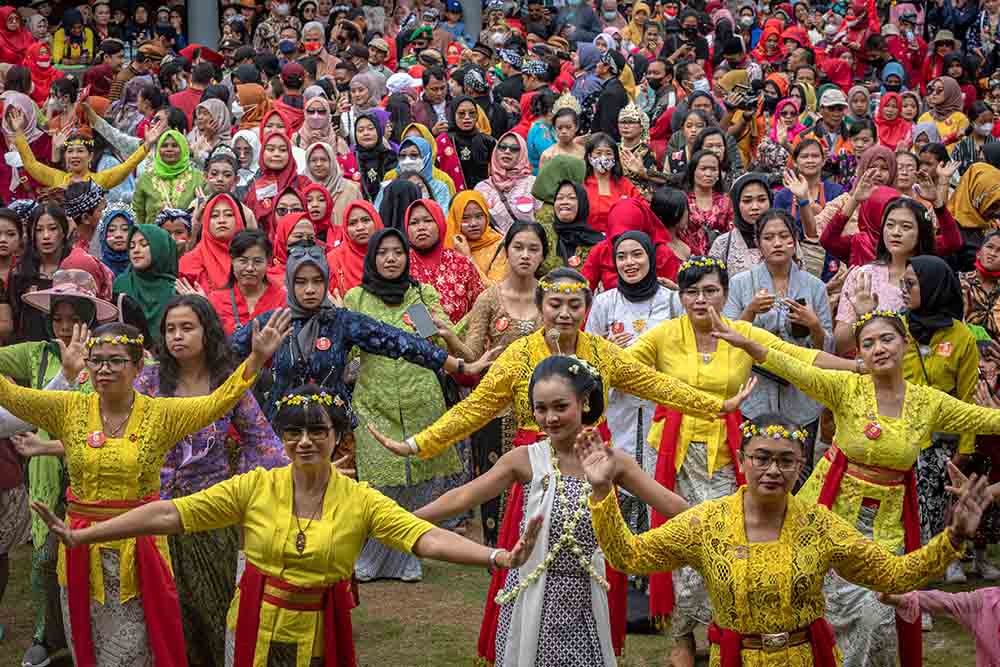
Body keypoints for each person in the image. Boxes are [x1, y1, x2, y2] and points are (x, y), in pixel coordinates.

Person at [367, 267, 747, 665]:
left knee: (600, 576)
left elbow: (657, 385)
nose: (564, 313)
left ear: (586, 308)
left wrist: (714, 405)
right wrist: (417, 445)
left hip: (593, 473)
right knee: (526, 572)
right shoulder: (519, 362)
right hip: (537, 482)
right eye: (555, 304)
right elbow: (474, 412)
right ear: (540, 307)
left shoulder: (603, 360)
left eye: (574, 304)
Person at [32, 380, 542, 665]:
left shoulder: (360, 499)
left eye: (316, 432)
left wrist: (497, 556)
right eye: (293, 431)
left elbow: (423, 539)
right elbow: (170, 513)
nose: (303, 442)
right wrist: (86, 533)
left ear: (336, 438)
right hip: (251, 623)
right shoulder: (256, 487)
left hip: (319, 632)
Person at [582, 410, 992, 667]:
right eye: (761, 457)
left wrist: (953, 537)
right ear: (742, 462)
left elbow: (893, 575)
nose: (772, 470)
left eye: (785, 460)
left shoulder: (820, 525)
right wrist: (603, 492)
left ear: (801, 466)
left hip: (805, 656)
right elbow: (628, 556)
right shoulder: (706, 523)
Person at [712, 308, 1000, 667]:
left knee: (876, 614)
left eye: (886, 339)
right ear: (859, 354)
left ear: (905, 343)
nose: (878, 348)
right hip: (830, 517)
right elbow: (794, 368)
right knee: (819, 610)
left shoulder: (928, 402)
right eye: (868, 343)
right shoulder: (848, 387)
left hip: (888, 526)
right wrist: (750, 346)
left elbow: (987, 420)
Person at [411, 355, 690, 665]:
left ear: (584, 402)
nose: (550, 418)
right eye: (540, 409)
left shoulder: (613, 461)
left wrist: (728, 522)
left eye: (560, 407)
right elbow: (462, 497)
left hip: (587, 600)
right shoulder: (524, 459)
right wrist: (399, 520)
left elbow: (672, 506)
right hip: (530, 598)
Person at [132, 295, 289, 665]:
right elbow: (121, 428)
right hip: (156, 511)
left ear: (207, 331)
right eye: (170, 329)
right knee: (169, 608)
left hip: (212, 512)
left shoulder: (226, 379)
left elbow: (261, 438)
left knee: (217, 606)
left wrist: (292, 483)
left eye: (187, 327)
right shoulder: (150, 380)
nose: (177, 336)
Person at [230, 243, 498, 419]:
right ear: (289, 283)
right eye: (301, 282)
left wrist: (461, 367)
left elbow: (401, 343)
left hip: (333, 431)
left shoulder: (342, 321)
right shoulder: (274, 322)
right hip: (282, 433)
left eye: (317, 281)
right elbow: (224, 354)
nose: (310, 289)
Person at [0, 272, 116, 667]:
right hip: (48, 474)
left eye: (74, 317)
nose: (65, 327)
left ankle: (99, 635)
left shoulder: (108, 355)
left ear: (90, 318)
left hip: (98, 475)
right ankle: (45, 635)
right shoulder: (38, 354)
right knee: (45, 559)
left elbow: (109, 423)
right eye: (57, 318)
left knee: (101, 557)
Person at [344, 227, 467, 582]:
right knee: (380, 483)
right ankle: (373, 557)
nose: (391, 259)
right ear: (372, 258)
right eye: (383, 253)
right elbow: (350, 350)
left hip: (420, 400)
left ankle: (405, 556)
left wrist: (440, 330)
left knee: (417, 482)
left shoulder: (419, 296)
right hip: (374, 401)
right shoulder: (357, 299)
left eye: (398, 252)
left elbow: (434, 345)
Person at [448, 222, 548, 545]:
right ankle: (495, 548)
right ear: (506, 251)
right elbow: (472, 352)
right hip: (494, 405)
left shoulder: (551, 296)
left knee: (538, 479)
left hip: (541, 408)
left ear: (543, 254)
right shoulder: (488, 299)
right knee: (493, 480)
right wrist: (450, 336)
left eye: (533, 249)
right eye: (518, 247)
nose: (525, 255)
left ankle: (535, 543)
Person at [723, 210, 833, 486]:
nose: (777, 243)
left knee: (797, 471)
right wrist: (749, 311)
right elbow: (727, 339)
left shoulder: (815, 286)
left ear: (794, 241)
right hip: (756, 390)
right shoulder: (740, 284)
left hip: (802, 392)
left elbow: (826, 349)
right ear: (759, 243)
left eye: (784, 236)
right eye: (769, 237)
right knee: (758, 468)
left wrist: (814, 326)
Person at [900, 256, 980, 583]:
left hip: (940, 449)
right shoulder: (897, 327)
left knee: (933, 518)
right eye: (902, 282)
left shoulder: (961, 337)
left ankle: (924, 588)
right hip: (900, 441)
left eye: (911, 284)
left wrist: (965, 452)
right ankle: (906, 585)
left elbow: (968, 398)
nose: (903, 290)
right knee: (905, 519)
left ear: (933, 288)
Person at [9, 107, 157, 191]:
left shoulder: (99, 181)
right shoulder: (57, 178)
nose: (74, 155)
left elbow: (127, 166)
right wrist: (18, 131)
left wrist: (147, 145)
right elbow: (31, 164)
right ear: (65, 156)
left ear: (90, 157)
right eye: (70, 151)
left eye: (80, 151)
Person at [405, 199, 485, 323]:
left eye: (428, 220)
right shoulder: (402, 266)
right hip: (414, 341)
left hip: (464, 340)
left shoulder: (461, 264)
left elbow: (481, 311)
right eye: (414, 223)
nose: (421, 227)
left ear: (440, 223)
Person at [207, 229, 287, 337]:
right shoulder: (215, 301)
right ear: (232, 260)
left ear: (268, 262)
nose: (250, 268)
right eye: (243, 261)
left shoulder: (282, 300)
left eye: (257, 261)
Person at [111, 224, 178, 343]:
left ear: (159, 248)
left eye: (144, 244)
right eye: (131, 246)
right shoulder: (121, 285)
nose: (136, 250)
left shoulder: (175, 289)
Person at [131, 130, 205, 227]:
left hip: (188, 239)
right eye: (164, 146)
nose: (169, 149)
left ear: (183, 148)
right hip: (152, 240)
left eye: (174, 145)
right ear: (158, 150)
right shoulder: (145, 179)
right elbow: (137, 213)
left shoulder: (198, 178)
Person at [179, 193, 246, 294]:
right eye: (214, 215)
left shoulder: (252, 257)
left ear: (239, 219)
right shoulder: (188, 263)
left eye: (229, 215)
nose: (221, 220)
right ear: (206, 220)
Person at [475, 131, 538, 234]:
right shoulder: (482, 188)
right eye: (502, 147)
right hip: (495, 248)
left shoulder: (533, 184)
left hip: (526, 246)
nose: (507, 151)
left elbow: (544, 221)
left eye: (514, 149)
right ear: (496, 151)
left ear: (522, 153)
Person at [709, 173, 771, 277]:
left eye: (762, 200)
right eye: (747, 201)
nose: (755, 207)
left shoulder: (785, 238)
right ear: (736, 204)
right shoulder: (723, 244)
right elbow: (711, 283)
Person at [444, 191, 508, 285]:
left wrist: (467, 257)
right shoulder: (447, 246)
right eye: (465, 217)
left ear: (486, 216)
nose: (473, 223)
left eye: (479, 216)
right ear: (456, 219)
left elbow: (494, 291)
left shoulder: (500, 245)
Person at [582, 133, 640, 235]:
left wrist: (641, 174)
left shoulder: (625, 185)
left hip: (620, 241)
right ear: (589, 157)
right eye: (598, 153)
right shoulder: (582, 185)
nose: (603, 158)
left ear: (615, 157)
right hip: (587, 240)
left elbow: (642, 208)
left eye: (608, 153)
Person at [447, 96, 496, 189]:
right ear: (453, 115)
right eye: (461, 113)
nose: (467, 117)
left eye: (472, 113)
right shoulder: (446, 141)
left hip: (483, 193)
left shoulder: (488, 141)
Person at [961, 230, 1000, 340]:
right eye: (989, 247)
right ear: (978, 253)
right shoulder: (959, 282)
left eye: (999, 251)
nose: (992, 254)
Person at [352, 111, 398, 202]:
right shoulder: (350, 159)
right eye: (360, 130)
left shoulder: (390, 157)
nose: (366, 133)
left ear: (378, 130)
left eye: (370, 128)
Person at [919, 77, 969, 150]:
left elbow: (964, 146)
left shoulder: (960, 118)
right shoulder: (924, 117)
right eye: (932, 89)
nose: (934, 93)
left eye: (940, 90)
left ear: (951, 92)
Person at [97, 204, 135, 278]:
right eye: (111, 230)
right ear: (103, 235)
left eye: (125, 229)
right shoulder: (98, 270)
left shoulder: (142, 267)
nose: (118, 235)